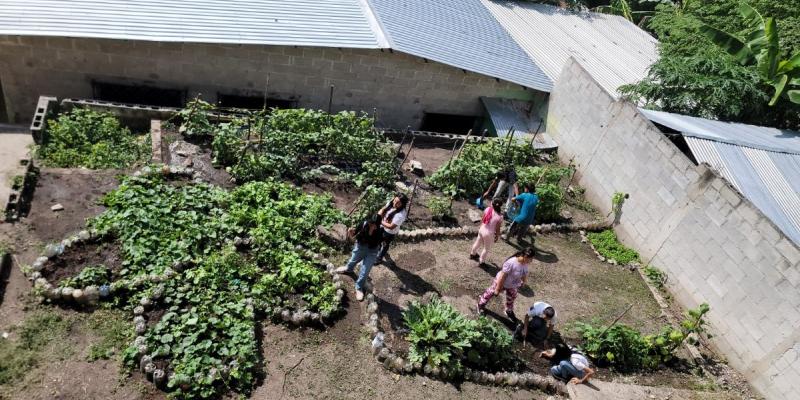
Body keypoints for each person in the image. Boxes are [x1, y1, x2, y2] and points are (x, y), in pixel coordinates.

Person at [476, 247, 534, 321]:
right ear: (525, 257)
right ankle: (480, 305)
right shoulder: (511, 262)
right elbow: (502, 277)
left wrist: (524, 282)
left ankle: (508, 310)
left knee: (512, 296)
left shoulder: (525, 263)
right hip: (501, 282)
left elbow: (524, 273)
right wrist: (497, 289)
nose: (531, 261)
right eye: (531, 259)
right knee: (490, 292)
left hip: (512, 284)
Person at [335, 214, 384, 301]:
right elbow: (356, 234)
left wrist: (371, 232)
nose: (372, 226)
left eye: (374, 225)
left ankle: (359, 287)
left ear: (378, 224)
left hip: (372, 251)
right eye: (371, 223)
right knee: (353, 260)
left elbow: (373, 243)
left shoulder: (380, 231)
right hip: (360, 246)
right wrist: (351, 232)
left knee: (365, 271)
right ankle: (348, 269)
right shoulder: (364, 223)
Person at [375, 193, 409, 264]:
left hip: (389, 232)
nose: (395, 203)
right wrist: (379, 213)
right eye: (395, 200)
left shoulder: (400, 215)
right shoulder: (391, 203)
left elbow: (391, 226)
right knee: (378, 238)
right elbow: (384, 208)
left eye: (398, 203)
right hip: (383, 226)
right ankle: (378, 249)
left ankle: (379, 258)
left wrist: (380, 221)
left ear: (402, 204)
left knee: (385, 244)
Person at [469, 198, 504, 265]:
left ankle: (472, 254)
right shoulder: (500, 217)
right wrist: (497, 236)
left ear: (492, 204)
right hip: (488, 233)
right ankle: (481, 262)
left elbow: (483, 218)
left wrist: (480, 226)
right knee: (486, 248)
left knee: (477, 242)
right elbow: (497, 229)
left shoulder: (488, 209)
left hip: (482, 229)